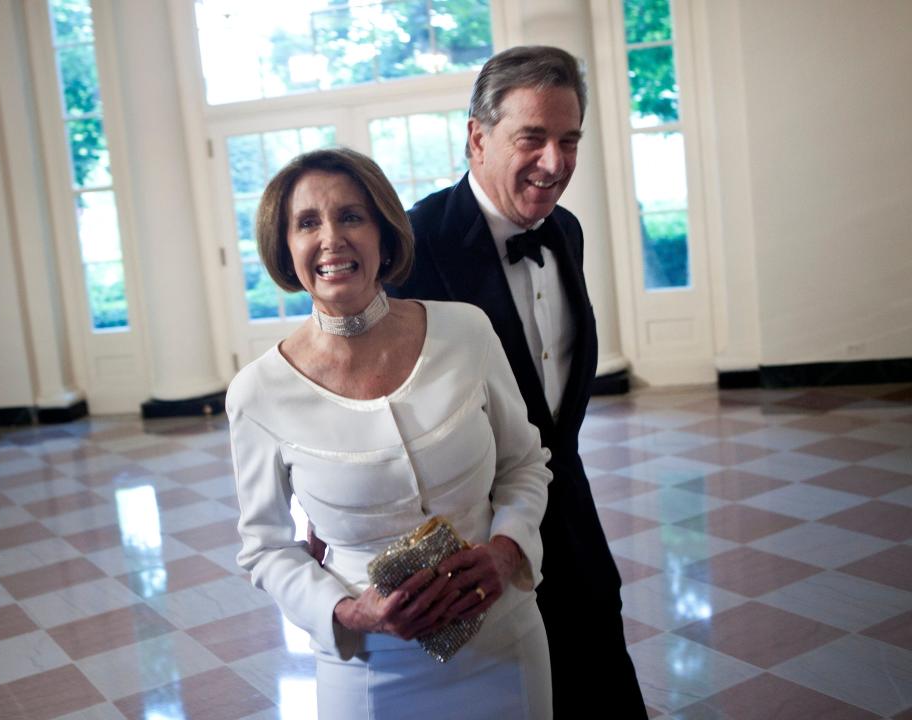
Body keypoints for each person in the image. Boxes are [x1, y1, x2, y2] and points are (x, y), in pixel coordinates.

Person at [228, 147, 554, 719]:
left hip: (504, 641)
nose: (332, 239)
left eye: (351, 216)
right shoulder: (258, 393)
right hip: (372, 669)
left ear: (384, 232)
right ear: (285, 248)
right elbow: (266, 549)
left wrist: (507, 551)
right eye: (307, 223)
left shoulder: (466, 330)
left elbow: (525, 463)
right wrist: (351, 615)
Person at [388, 46, 648, 717]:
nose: (555, 163)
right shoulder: (415, 247)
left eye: (569, 140)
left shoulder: (567, 233)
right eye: (532, 138)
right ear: (477, 137)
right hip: (472, 549)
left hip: (571, 520)